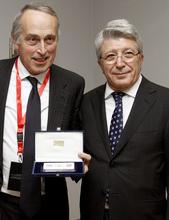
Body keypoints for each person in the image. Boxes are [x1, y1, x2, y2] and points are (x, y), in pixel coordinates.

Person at [0, 2, 91, 220]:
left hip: (49, 208)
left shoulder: (72, 84)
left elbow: (76, 144)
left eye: (49, 39)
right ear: (16, 40)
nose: (42, 50)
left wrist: (80, 163)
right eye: (32, 39)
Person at [80, 19, 169, 220]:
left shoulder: (165, 103)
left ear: (141, 58)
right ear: (100, 64)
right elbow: (77, 159)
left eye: (128, 54)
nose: (120, 63)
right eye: (110, 56)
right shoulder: (85, 103)